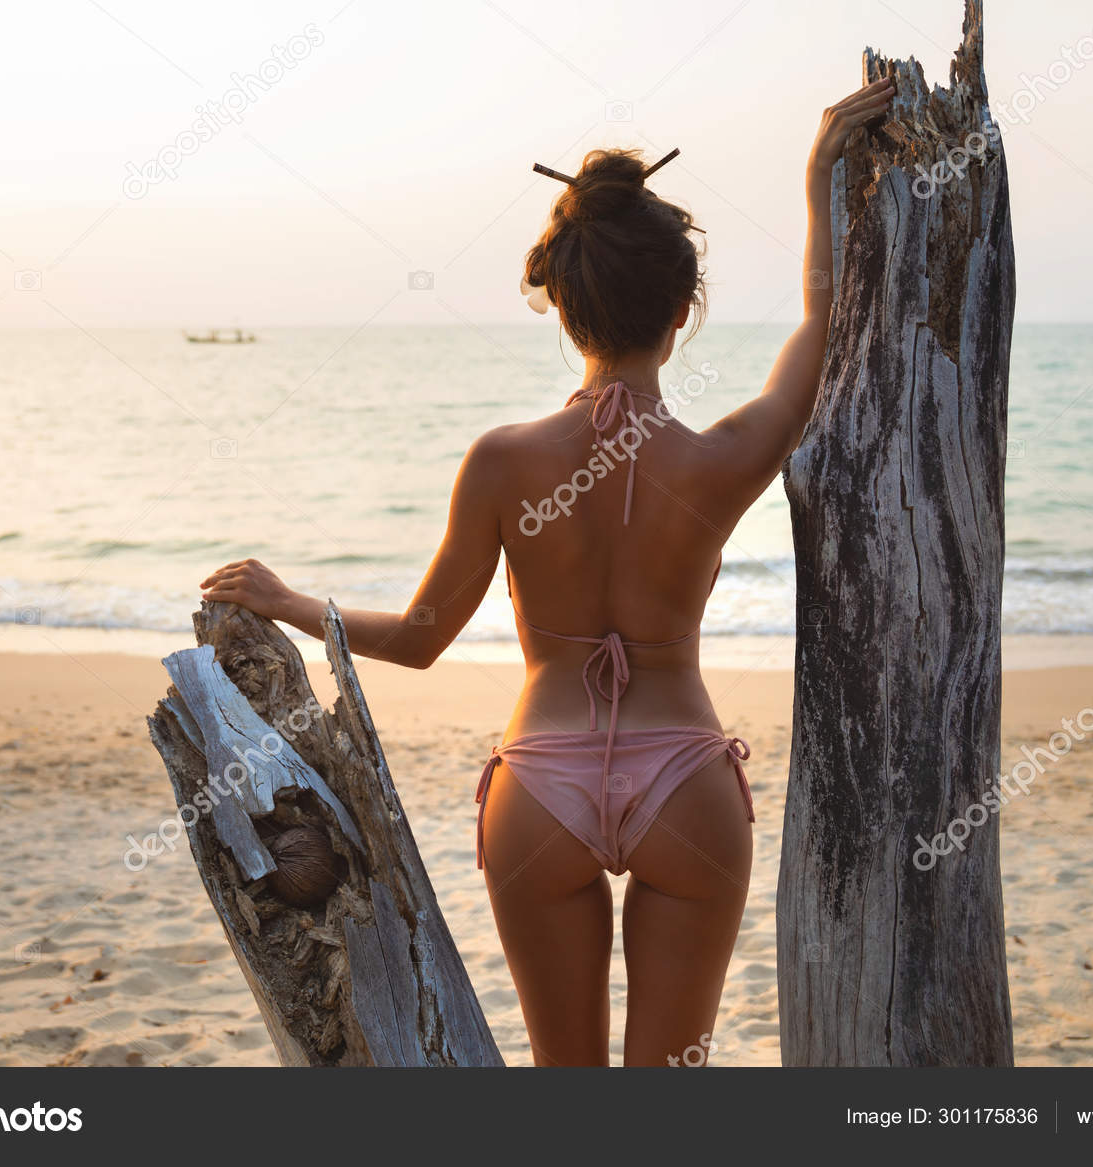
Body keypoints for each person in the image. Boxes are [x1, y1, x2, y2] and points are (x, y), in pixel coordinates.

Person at [202, 77, 896, 1066]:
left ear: (561, 307)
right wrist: (822, 171)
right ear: (684, 309)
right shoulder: (723, 457)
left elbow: (421, 640)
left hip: (541, 791)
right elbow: (821, 328)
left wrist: (287, 602)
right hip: (684, 782)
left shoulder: (500, 462)